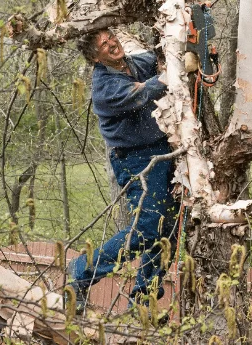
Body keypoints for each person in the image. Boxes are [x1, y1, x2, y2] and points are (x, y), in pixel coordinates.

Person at [68, 29, 178, 312]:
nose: (112, 43)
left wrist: (180, 48)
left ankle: (143, 300)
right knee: (147, 229)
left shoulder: (134, 63)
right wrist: (176, 72)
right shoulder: (104, 88)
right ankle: (81, 271)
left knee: (168, 228)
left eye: (111, 37)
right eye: (103, 44)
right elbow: (146, 91)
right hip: (136, 159)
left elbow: (157, 57)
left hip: (162, 151)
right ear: (95, 57)